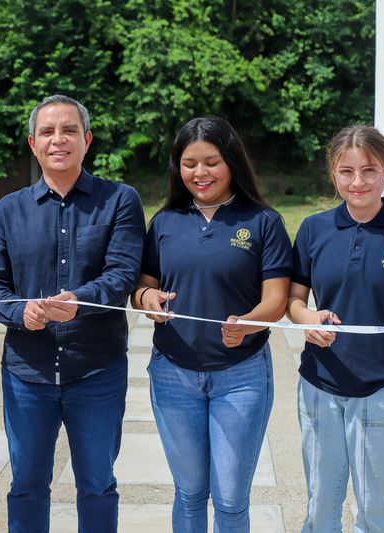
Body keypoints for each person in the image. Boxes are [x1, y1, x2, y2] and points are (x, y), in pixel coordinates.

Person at [0, 94, 145, 532]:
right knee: (28, 485)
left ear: (86, 140)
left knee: (97, 484)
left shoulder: (120, 201)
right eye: (48, 132)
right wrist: (22, 312)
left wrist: (78, 302)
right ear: (33, 143)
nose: (59, 139)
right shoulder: (7, 210)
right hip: (26, 374)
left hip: (97, 371)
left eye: (69, 130)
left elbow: (122, 274)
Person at [132, 117, 291, 532]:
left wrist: (248, 324)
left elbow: (275, 301)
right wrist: (147, 298)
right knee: (188, 493)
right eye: (189, 164)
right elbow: (143, 286)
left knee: (231, 499)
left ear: (232, 162)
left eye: (211, 162)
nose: (199, 173)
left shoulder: (263, 222)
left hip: (241, 377)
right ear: (177, 168)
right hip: (172, 374)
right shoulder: (165, 222)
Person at [287, 126, 384, 532]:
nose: (357, 182)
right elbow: (294, 301)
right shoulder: (315, 229)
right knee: (321, 505)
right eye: (346, 171)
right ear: (333, 174)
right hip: (320, 385)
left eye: (369, 170)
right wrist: (307, 320)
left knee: (373, 509)